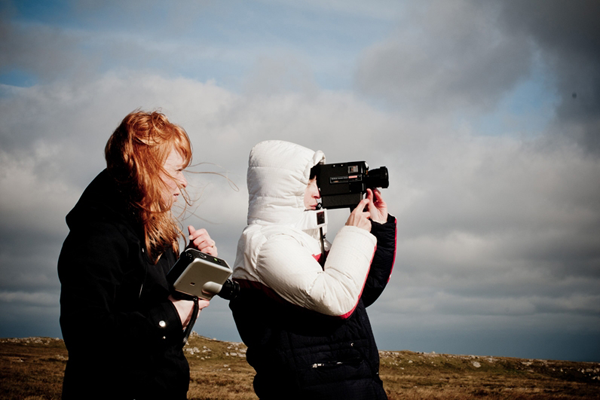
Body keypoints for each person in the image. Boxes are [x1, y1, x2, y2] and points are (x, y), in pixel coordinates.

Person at [58, 110, 218, 400]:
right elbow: (85, 334)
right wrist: (172, 313)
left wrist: (192, 267)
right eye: (177, 169)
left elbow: (157, 308)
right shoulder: (98, 233)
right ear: (146, 166)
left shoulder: (158, 235)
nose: (183, 182)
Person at [229, 140, 397, 400]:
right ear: (283, 188)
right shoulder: (265, 244)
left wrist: (380, 228)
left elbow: (361, 295)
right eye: (310, 183)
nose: (319, 192)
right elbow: (336, 300)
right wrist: (353, 234)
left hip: (353, 385)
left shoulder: (306, 239)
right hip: (313, 390)